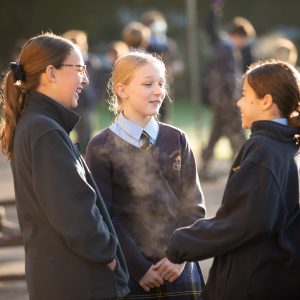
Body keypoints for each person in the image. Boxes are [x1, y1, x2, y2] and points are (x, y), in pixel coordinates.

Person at [0, 32, 129, 300]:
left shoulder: (40, 125)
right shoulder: (44, 130)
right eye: (79, 69)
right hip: (77, 282)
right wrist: (107, 254)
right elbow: (73, 209)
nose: (86, 78)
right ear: (51, 73)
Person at [166, 60, 300, 300]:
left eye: (245, 95)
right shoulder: (287, 146)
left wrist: (181, 242)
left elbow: (244, 221)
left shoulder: (264, 150)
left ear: (266, 101)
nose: (238, 102)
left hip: (252, 282)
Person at [86, 51, 206, 299]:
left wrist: (179, 257)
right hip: (133, 274)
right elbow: (106, 216)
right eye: (148, 84)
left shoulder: (177, 138)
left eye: (161, 84)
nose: (158, 91)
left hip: (180, 268)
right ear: (122, 90)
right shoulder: (100, 147)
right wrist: (138, 268)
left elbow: (193, 206)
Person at [200, 0, 248, 180]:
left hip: (218, 98)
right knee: (237, 135)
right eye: (243, 39)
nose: (243, 44)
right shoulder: (228, 47)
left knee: (216, 134)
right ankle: (244, 169)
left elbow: (210, 28)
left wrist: (215, 10)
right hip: (228, 99)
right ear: (238, 35)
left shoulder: (222, 44)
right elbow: (229, 77)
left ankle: (204, 167)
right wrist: (237, 97)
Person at [62, 29, 103, 155]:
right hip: (69, 100)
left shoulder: (91, 60)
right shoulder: (64, 61)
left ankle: (84, 156)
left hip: (87, 101)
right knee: (65, 130)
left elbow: (97, 80)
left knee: (86, 130)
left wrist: (95, 96)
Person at [141, 10, 185, 122]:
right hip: (146, 87)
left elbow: (179, 64)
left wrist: (171, 69)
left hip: (164, 87)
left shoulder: (168, 44)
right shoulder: (144, 45)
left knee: (164, 119)